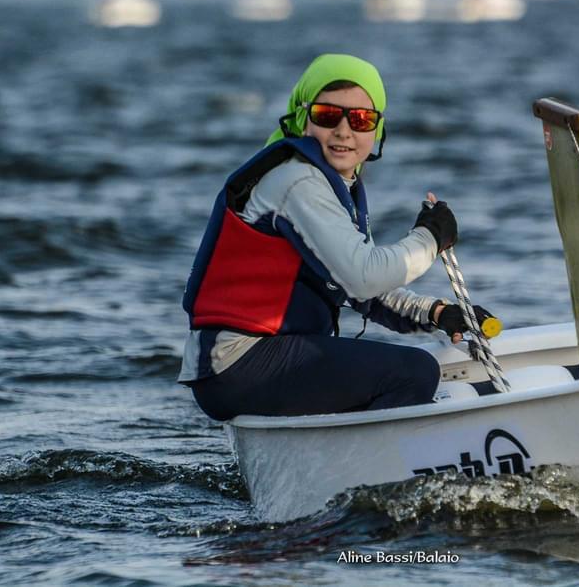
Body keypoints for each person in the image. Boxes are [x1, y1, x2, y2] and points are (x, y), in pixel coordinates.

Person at [178, 53, 493, 419]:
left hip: (247, 362)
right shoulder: (296, 182)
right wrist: (429, 238)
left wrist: (435, 313)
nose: (345, 130)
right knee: (414, 372)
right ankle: (380, 475)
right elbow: (362, 277)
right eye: (328, 116)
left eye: (361, 119)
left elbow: (363, 291)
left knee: (397, 371)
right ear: (302, 120)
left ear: (377, 131)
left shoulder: (326, 182)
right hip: (238, 363)